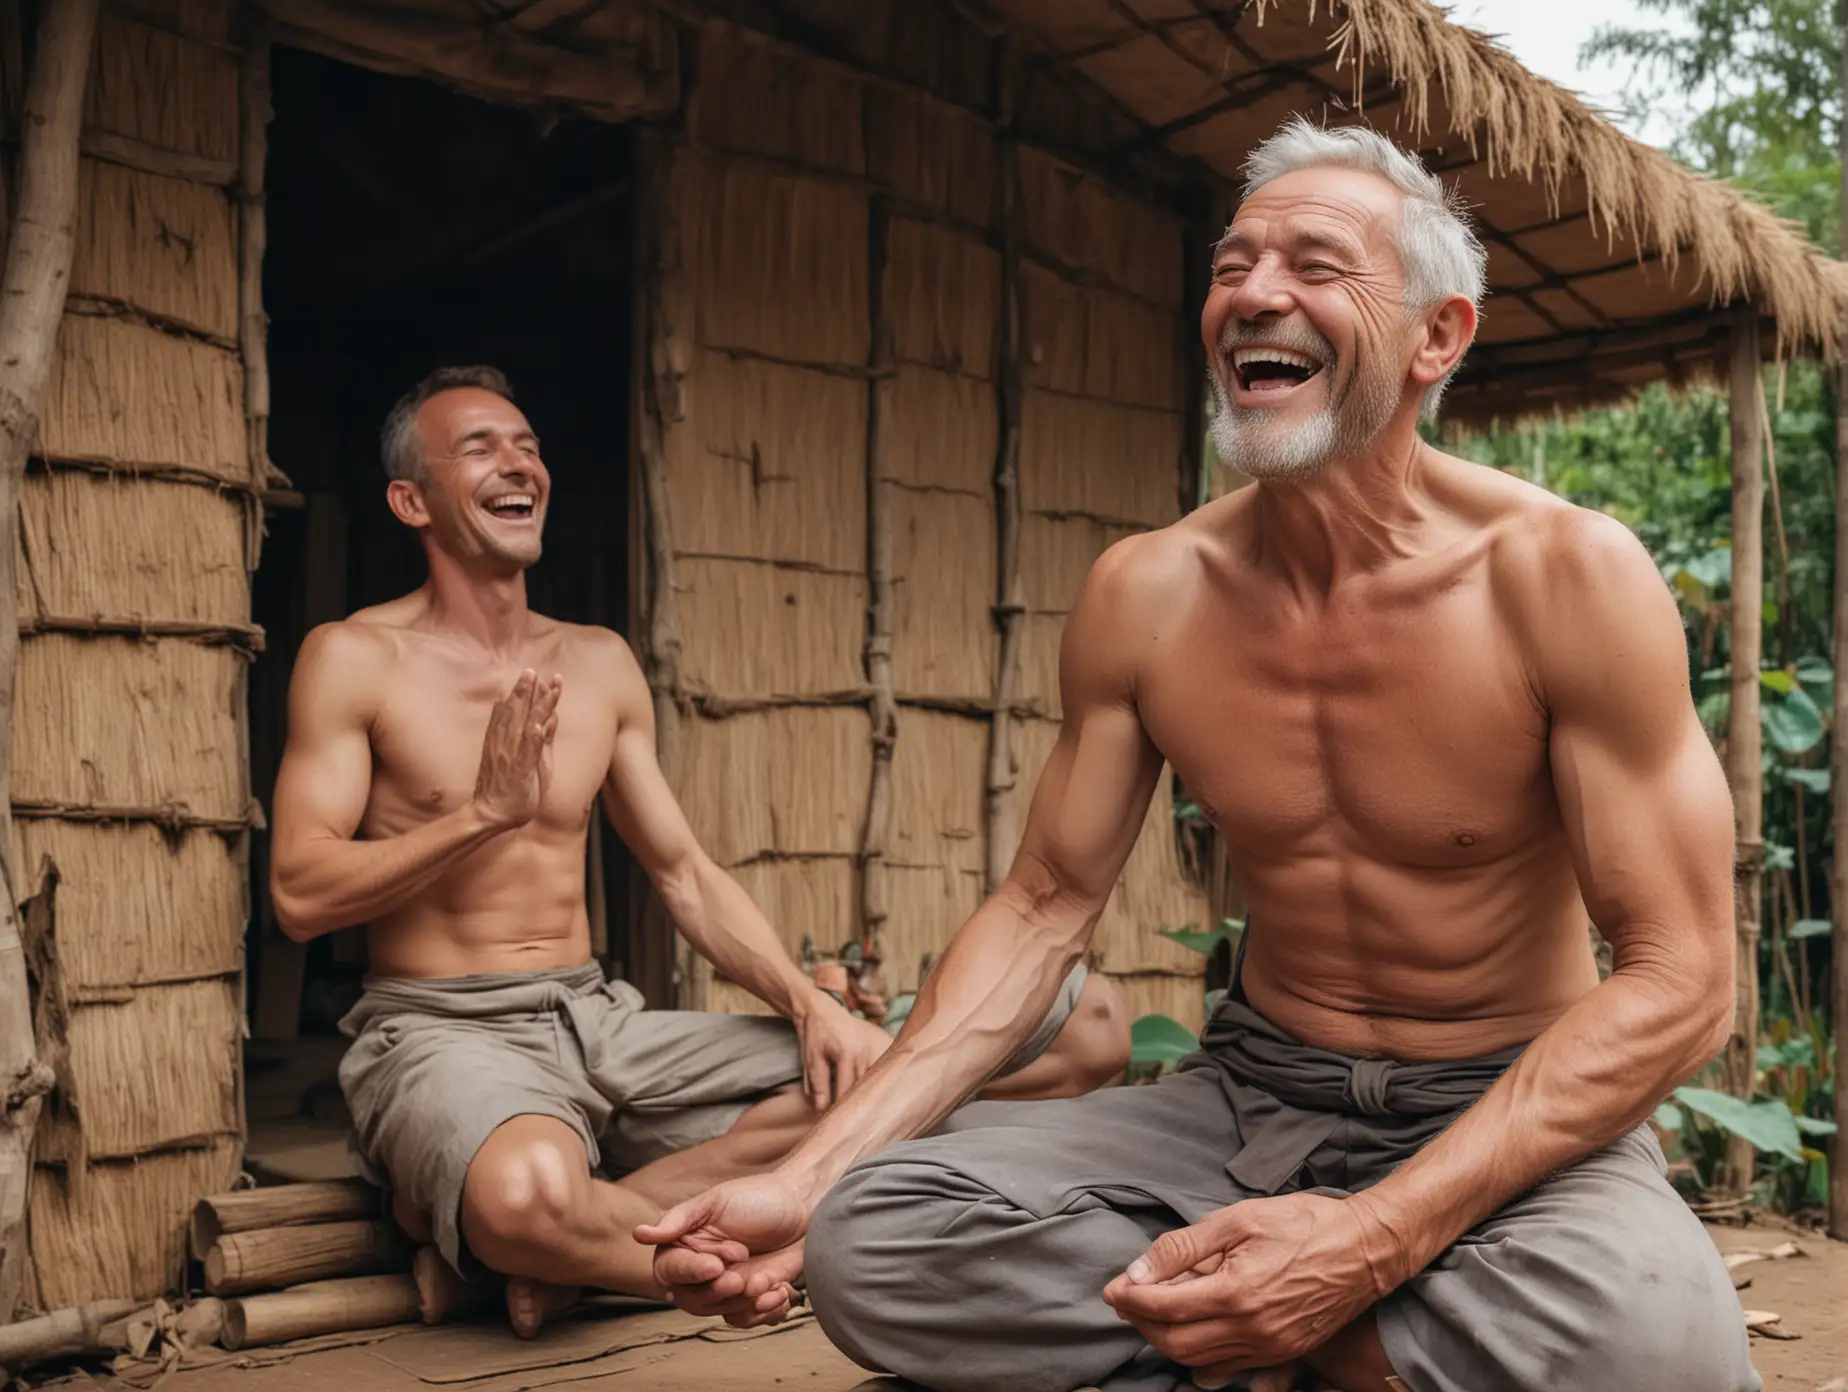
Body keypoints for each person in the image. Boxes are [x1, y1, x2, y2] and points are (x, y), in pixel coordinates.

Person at [636, 118, 1759, 1392]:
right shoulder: (1150, 593)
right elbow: (1046, 907)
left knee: (1660, 1343)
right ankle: (1315, 1332)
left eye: (1318, 266)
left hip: (1504, 1107)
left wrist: (1367, 1242)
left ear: (1437, 336)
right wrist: (808, 1172)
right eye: (1233, 266)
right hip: (1246, 1101)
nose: (1255, 295)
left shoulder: (1564, 577)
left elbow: (1681, 980)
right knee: (875, 1241)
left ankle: (1270, 1322)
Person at [264, 365, 1130, 1339]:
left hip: (603, 1023)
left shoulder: (597, 662)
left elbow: (683, 874)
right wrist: (481, 814)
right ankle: (619, 1238)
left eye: (528, 445)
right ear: (410, 499)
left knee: (1075, 1029)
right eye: (479, 447)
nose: (518, 463)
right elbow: (300, 893)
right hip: (439, 1031)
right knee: (522, 1196)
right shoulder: (355, 658)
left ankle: (565, 1256)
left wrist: (811, 1010)